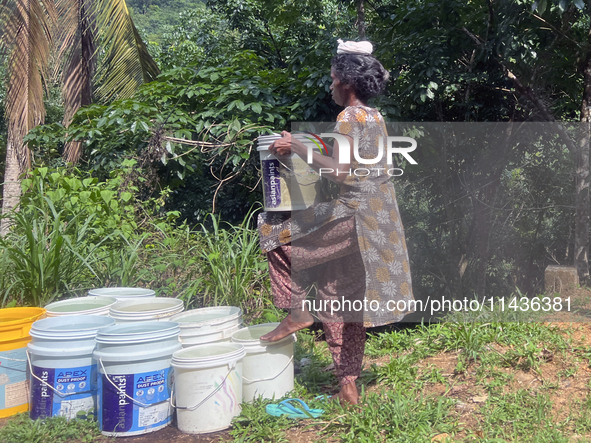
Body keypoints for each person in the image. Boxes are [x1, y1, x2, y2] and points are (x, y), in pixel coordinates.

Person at [257, 39, 414, 405]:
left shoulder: (348, 116)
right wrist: (304, 142)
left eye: (332, 80)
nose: (329, 86)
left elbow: (342, 173)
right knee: (338, 294)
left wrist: (297, 148)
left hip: (355, 213)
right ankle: (347, 384)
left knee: (272, 233)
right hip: (381, 219)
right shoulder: (375, 117)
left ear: (347, 82)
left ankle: (297, 313)